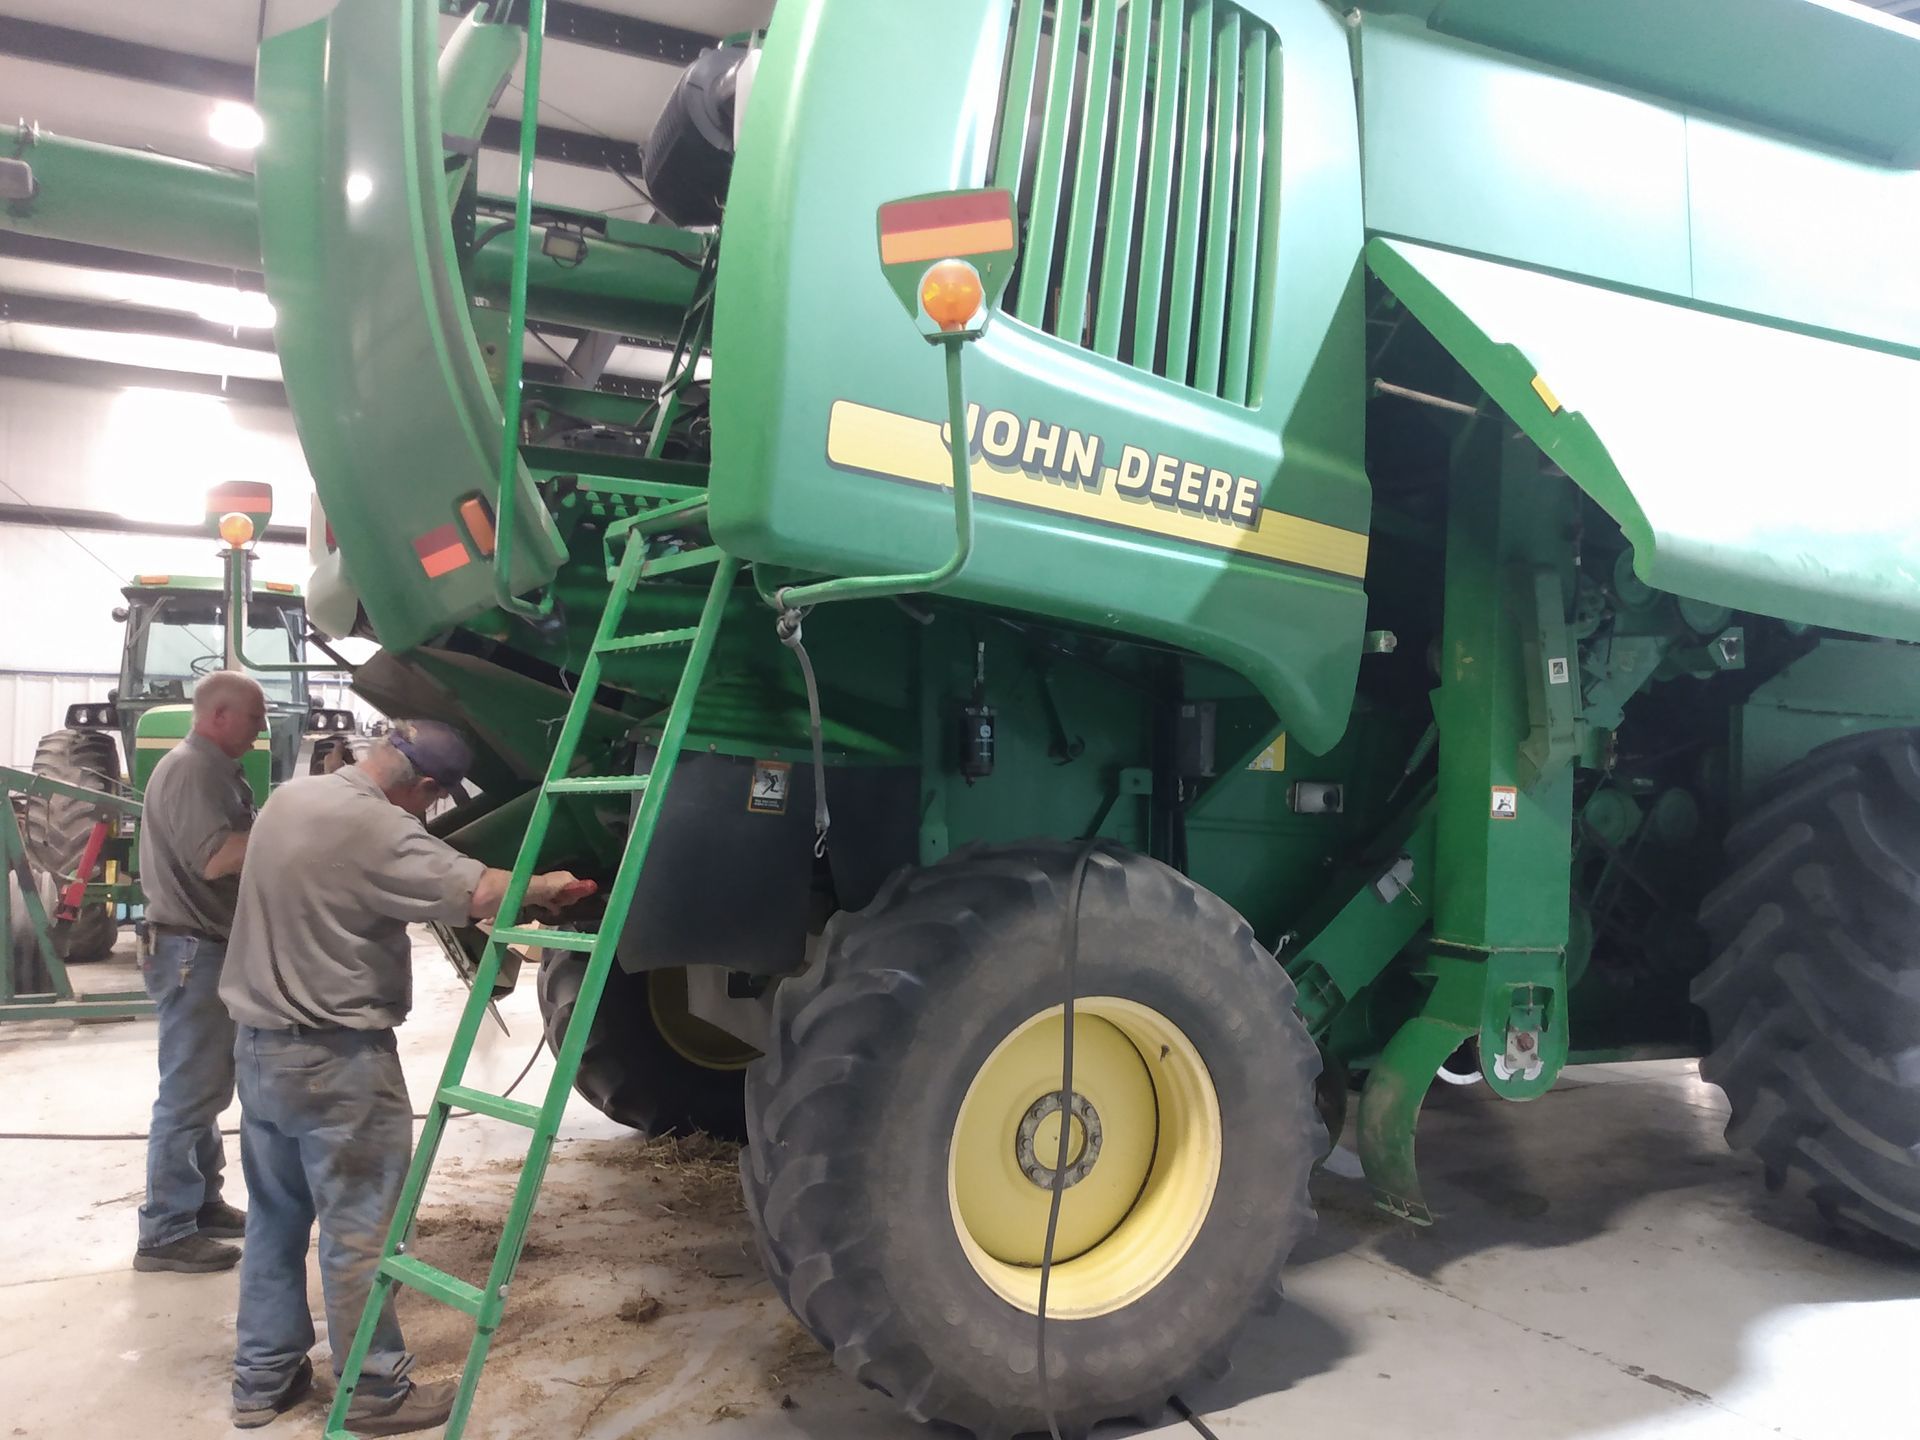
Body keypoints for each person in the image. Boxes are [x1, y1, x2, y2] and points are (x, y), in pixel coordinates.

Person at [218, 719, 586, 1433]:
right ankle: (375, 1392)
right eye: (432, 799)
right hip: (338, 1062)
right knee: (361, 1231)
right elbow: (479, 894)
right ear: (423, 787)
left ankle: (262, 1379)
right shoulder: (377, 827)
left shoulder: (292, 800)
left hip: (260, 1050)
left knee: (275, 1218)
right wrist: (549, 886)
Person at [133, 669, 266, 1274]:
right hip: (191, 949)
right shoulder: (192, 768)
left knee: (207, 1084)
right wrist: (282, 825)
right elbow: (213, 858)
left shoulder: (215, 768)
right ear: (219, 716)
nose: (261, 728)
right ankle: (163, 1231)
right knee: (188, 1092)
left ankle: (203, 1203)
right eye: (254, 717)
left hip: (202, 945)